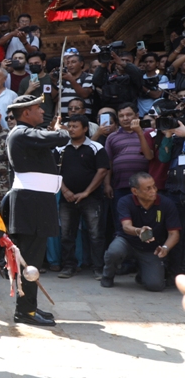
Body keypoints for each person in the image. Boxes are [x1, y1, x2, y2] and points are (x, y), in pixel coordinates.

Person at [6, 94, 69, 326]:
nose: (43, 112)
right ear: (26, 113)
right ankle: (25, 311)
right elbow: (62, 137)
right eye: (38, 109)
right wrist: (59, 129)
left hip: (35, 203)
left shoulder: (27, 135)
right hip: (30, 204)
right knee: (29, 259)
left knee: (32, 258)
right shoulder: (22, 133)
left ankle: (28, 307)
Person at [102, 172, 179, 291]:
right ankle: (108, 275)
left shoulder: (166, 203)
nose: (153, 191)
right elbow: (126, 227)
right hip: (128, 241)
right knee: (114, 251)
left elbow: (174, 233)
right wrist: (139, 231)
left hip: (151, 248)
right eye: (148, 188)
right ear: (135, 191)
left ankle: (143, 274)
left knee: (156, 286)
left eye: (154, 186)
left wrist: (165, 248)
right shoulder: (125, 201)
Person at [55, 114, 110, 280]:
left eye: (75, 126)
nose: (71, 129)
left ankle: (99, 269)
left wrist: (86, 192)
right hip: (67, 198)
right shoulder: (61, 149)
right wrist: (64, 191)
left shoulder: (96, 147)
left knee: (96, 234)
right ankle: (69, 267)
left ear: (85, 129)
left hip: (91, 198)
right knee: (66, 234)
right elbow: (54, 172)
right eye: (69, 126)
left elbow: (102, 171)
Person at [104, 103, 155, 207]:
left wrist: (139, 132)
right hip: (120, 186)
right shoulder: (112, 137)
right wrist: (107, 184)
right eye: (121, 116)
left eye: (129, 115)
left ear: (137, 116)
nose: (125, 118)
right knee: (121, 219)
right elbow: (108, 164)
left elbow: (150, 156)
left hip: (145, 186)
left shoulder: (149, 133)